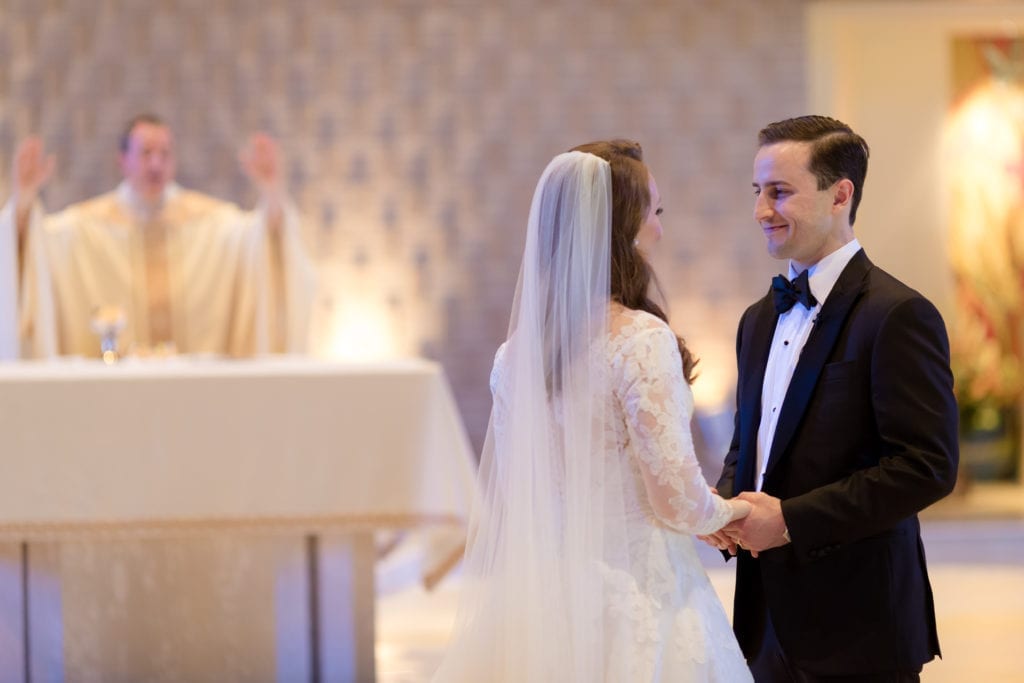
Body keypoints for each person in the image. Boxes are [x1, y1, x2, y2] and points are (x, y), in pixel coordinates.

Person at [433, 141, 753, 681]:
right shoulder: (640, 339)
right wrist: (734, 514)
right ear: (622, 226)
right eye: (655, 211)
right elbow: (674, 498)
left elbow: (521, 490)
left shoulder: (514, 358)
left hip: (543, 607)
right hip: (642, 599)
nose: (660, 228)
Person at [703, 116, 959, 682]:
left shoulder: (897, 314)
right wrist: (725, 505)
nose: (761, 211)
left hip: (861, 626)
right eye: (757, 192)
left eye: (780, 192)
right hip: (764, 624)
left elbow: (928, 467)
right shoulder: (757, 320)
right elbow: (753, 440)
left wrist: (791, 520)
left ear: (840, 194)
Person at [0, 113, 316, 359]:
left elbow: (264, 242)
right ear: (123, 160)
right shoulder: (87, 227)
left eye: (165, 153)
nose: (156, 163)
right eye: (146, 152)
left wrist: (272, 193)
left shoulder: (208, 222)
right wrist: (24, 204)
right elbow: (33, 250)